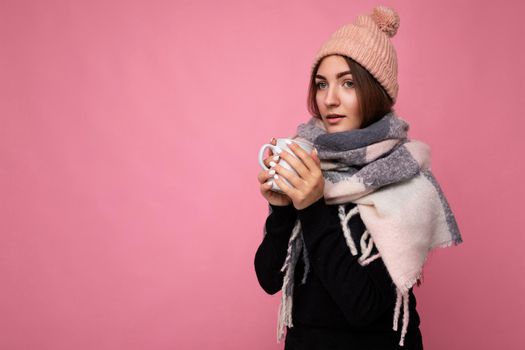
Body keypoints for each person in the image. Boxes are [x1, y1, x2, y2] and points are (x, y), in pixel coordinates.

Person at [254, 5, 463, 350]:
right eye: (321, 84)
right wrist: (281, 209)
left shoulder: (405, 177)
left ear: (375, 91)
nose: (329, 99)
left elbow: (363, 306)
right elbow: (269, 280)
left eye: (348, 83)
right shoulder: (308, 162)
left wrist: (312, 205)